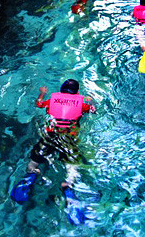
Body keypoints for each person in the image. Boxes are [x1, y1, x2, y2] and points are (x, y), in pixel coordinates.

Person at [10, 79, 96, 224]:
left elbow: (38, 104)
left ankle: (30, 175)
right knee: (72, 169)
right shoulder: (81, 103)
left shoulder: (51, 100)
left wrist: (42, 94)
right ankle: (68, 187)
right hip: (68, 139)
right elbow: (93, 111)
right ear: (76, 93)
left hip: (50, 137)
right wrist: (90, 101)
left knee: (33, 163)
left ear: (61, 91)